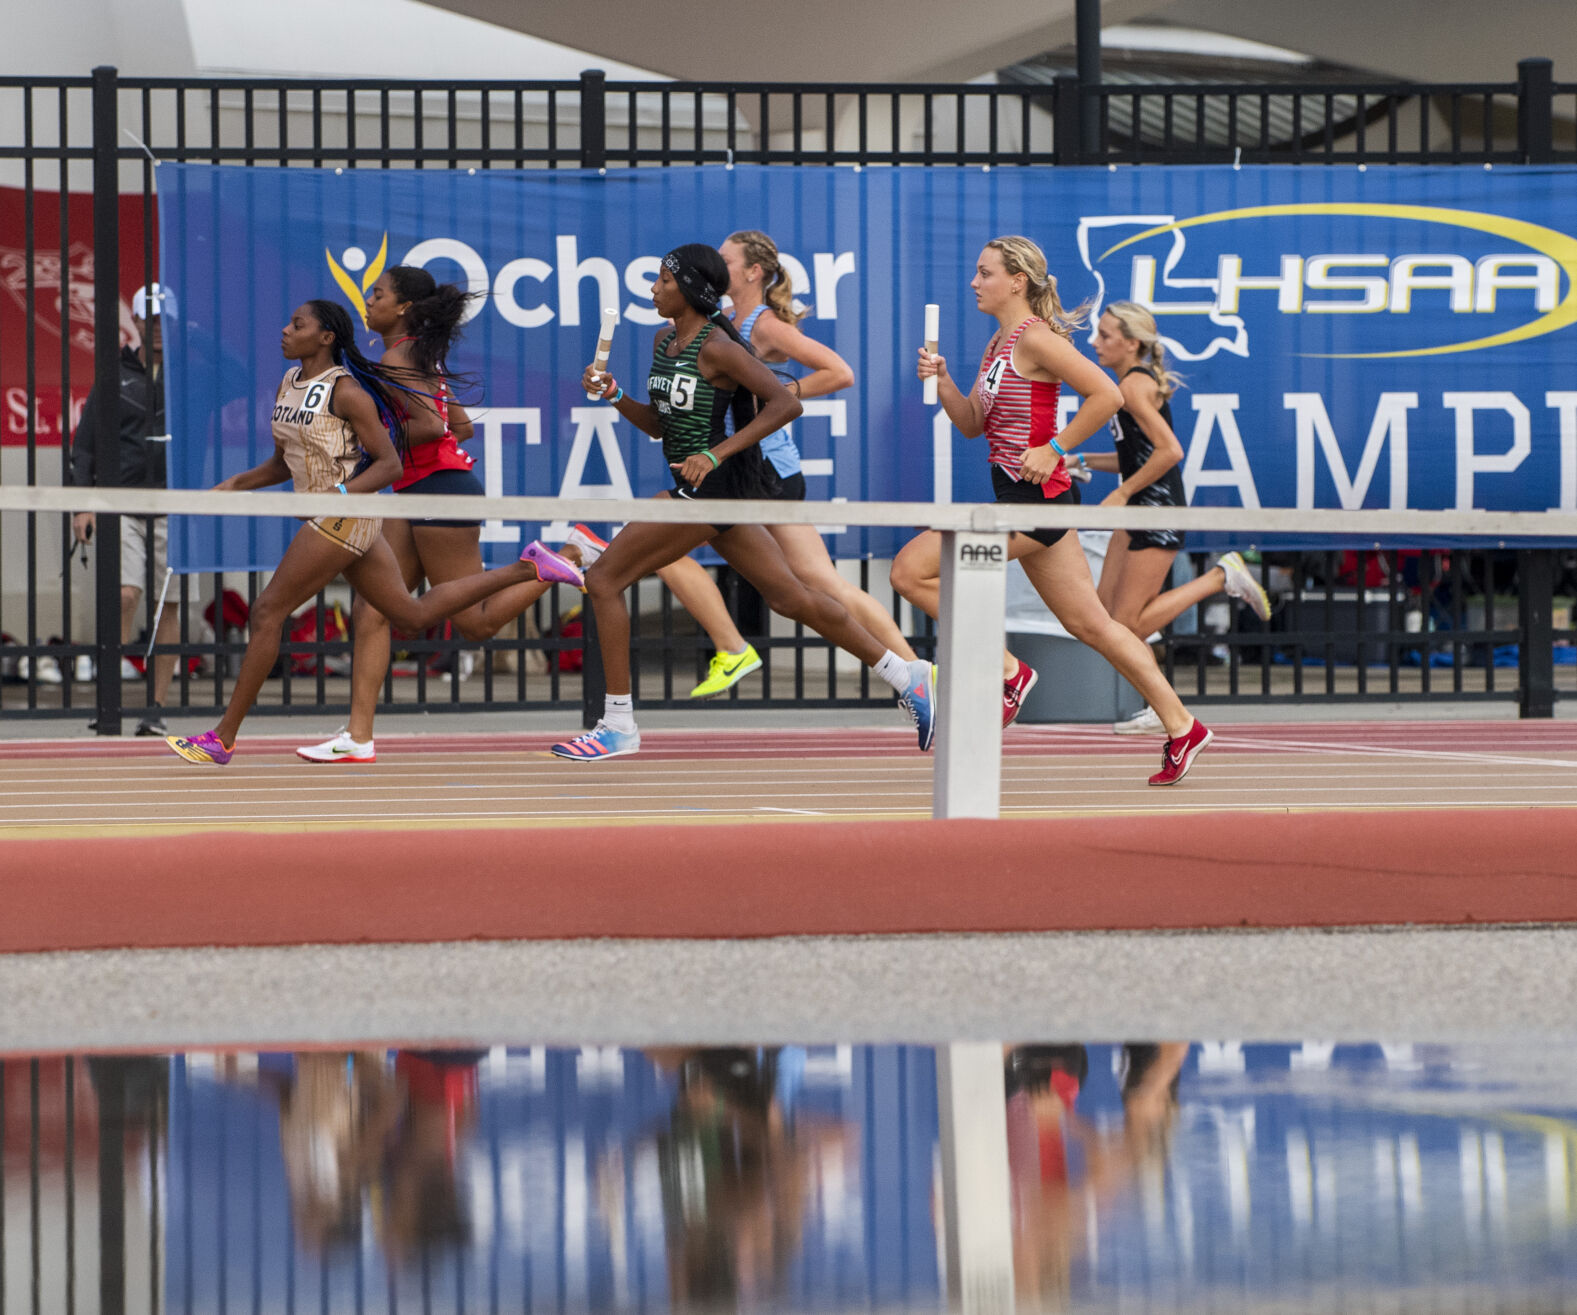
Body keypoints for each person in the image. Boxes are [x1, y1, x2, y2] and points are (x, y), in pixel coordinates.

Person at [552, 244, 935, 761]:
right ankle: (907, 675)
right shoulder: (664, 341)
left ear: (690, 289)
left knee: (602, 580)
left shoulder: (718, 347)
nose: (653, 289)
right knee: (791, 598)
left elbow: (786, 403)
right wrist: (616, 394)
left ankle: (618, 724)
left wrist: (716, 453)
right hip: (710, 492)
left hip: (709, 492)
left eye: (663, 281)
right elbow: (659, 427)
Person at [165, 298, 583, 766]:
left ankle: (222, 738)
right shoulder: (289, 383)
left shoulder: (348, 392)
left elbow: (388, 464)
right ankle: (529, 568)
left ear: (325, 337)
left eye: (297, 325)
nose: (285, 330)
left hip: (345, 516)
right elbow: (283, 462)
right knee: (411, 615)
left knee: (267, 610)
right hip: (339, 516)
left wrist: (338, 495)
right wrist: (232, 486)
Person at [891, 236, 1212, 786]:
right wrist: (942, 381)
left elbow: (1108, 395)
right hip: (1029, 498)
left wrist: (1055, 447)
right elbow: (971, 423)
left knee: (908, 571)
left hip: (1035, 500)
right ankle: (1184, 725)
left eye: (985, 273)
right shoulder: (998, 343)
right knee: (1093, 624)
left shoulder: (1036, 338)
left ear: (1017, 281)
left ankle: (1009, 672)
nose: (974, 282)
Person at [296, 267, 600, 764]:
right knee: (373, 609)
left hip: (440, 492)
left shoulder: (398, 356)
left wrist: (370, 450)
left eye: (378, 294)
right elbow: (460, 426)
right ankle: (358, 735)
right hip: (420, 490)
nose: (368, 301)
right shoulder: (417, 354)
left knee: (475, 626)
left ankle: (561, 556)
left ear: (403, 308)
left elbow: (434, 426)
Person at [655, 230, 918, 698]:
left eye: (727, 260)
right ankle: (914, 673)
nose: (718, 265)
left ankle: (734, 646)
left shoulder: (763, 325)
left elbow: (839, 372)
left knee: (664, 534)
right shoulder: (721, 322)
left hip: (765, 472)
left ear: (753, 272)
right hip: (752, 470)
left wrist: (777, 391)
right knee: (813, 585)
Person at [1085, 301, 1270, 735]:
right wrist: (1082, 460)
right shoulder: (1127, 385)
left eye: (1105, 335)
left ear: (1132, 344)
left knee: (1124, 625)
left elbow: (1170, 451)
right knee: (1104, 619)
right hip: (1138, 509)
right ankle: (1159, 702)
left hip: (1156, 509)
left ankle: (1219, 578)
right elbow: (1137, 456)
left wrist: (1123, 492)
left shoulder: (1134, 386)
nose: (1095, 342)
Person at [67, 281, 183, 735]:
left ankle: (155, 708)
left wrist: (195, 336)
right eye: (149, 319)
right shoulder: (114, 373)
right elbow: (86, 444)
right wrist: (83, 504)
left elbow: (239, 373)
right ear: (134, 320)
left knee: (168, 605)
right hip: (123, 503)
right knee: (125, 595)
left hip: (176, 502)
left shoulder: (190, 371)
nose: (156, 328)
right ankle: (110, 701)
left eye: (164, 320)